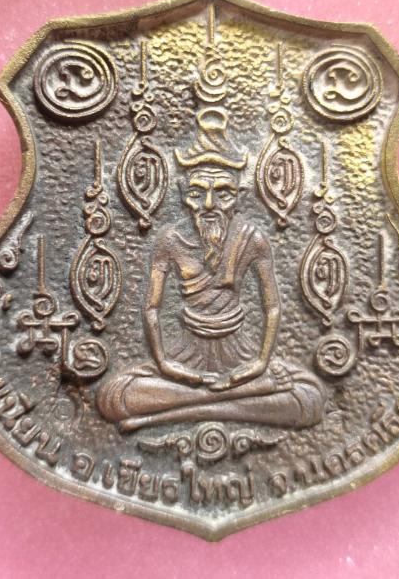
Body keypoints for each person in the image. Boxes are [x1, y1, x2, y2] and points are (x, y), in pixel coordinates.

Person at [97, 108, 326, 431]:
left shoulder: (252, 239)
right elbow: (151, 307)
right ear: (183, 195)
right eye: (197, 193)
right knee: (114, 395)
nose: (208, 205)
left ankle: (184, 407)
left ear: (239, 196)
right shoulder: (170, 240)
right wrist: (165, 364)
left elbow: (272, 306)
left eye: (222, 194)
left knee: (311, 398)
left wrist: (260, 363)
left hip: (241, 355)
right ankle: (232, 402)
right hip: (183, 356)